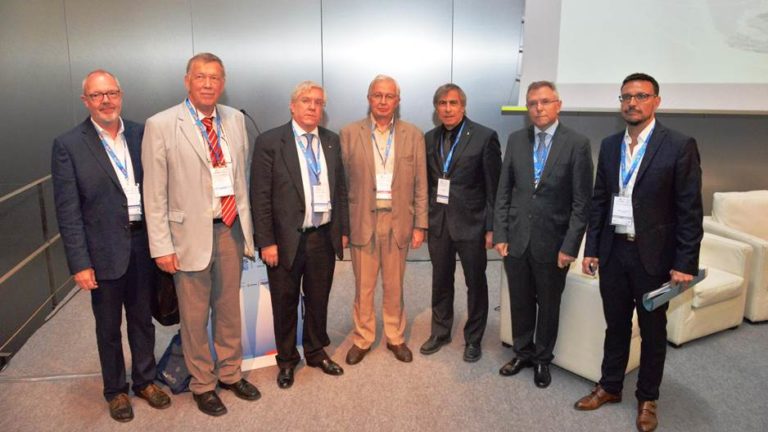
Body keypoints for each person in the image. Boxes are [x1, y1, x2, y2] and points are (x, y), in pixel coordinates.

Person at [573, 73, 703, 432]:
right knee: (615, 326)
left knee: (652, 331)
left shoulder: (678, 145)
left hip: (655, 259)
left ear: (656, 102)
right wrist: (592, 248)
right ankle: (610, 386)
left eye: (641, 96)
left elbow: (689, 209)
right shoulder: (612, 144)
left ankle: (647, 398)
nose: (632, 102)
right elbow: (600, 201)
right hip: (615, 254)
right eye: (626, 96)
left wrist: (684, 263)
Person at [142, 53, 260, 417]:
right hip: (186, 237)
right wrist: (161, 246)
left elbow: (240, 180)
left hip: (229, 230)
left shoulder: (235, 120)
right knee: (194, 318)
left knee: (228, 311)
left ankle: (229, 373)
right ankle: (203, 384)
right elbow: (154, 193)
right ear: (187, 81)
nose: (208, 84)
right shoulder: (161, 124)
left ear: (222, 82)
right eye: (200, 77)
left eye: (215, 78)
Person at [51, 70, 171, 422]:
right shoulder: (69, 145)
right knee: (108, 327)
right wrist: (79, 263)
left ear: (121, 95)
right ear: (85, 100)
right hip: (102, 251)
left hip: (142, 242)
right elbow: (68, 211)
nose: (106, 100)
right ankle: (115, 390)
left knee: (142, 319)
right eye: (97, 95)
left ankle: (146, 381)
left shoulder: (140, 133)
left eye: (112, 93)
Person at [494, 81, 593, 388]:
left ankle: (542, 359)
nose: (539, 108)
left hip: (554, 244)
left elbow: (582, 202)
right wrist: (501, 233)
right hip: (517, 239)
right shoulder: (515, 140)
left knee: (548, 304)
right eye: (533, 103)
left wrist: (570, 247)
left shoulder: (577, 144)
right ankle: (522, 352)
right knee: (521, 301)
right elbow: (504, 192)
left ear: (558, 105)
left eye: (545, 102)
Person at [250, 81, 349, 389]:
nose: (312, 107)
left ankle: (317, 350)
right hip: (285, 240)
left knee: (319, 298)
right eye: (306, 101)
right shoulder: (270, 142)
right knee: (285, 301)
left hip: (322, 236)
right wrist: (266, 241)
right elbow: (260, 196)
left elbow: (341, 190)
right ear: (292, 106)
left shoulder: (331, 141)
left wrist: (342, 230)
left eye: (318, 102)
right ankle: (287, 359)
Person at [339, 74, 428, 365]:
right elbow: (341, 185)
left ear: (398, 101)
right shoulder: (349, 133)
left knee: (394, 285)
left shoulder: (413, 135)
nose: (383, 101)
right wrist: (342, 227)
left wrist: (420, 225)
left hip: (398, 220)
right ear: (369, 98)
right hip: (362, 220)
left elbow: (421, 184)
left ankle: (395, 337)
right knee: (363, 286)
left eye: (389, 96)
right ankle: (363, 337)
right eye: (377, 95)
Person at [420, 83, 501, 362]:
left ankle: (474, 338)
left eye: (453, 103)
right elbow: (428, 184)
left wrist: (492, 227)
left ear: (463, 106)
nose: (448, 108)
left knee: (475, 283)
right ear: (436, 108)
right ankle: (440, 332)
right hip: (439, 223)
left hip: (473, 224)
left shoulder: (484, 137)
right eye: (442, 103)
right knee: (440, 281)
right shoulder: (428, 138)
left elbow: (494, 187)